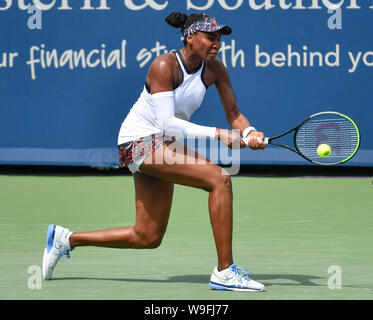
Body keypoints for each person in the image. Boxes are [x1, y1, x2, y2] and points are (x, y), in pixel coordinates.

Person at [42, 12, 266, 292]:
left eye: (219, 38)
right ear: (190, 37)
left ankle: (67, 239)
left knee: (147, 236)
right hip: (138, 141)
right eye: (211, 37)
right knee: (219, 179)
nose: (216, 43)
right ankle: (225, 272)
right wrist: (218, 135)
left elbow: (234, 114)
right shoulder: (164, 65)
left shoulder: (215, 69)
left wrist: (249, 133)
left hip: (164, 143)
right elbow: (167, 123)